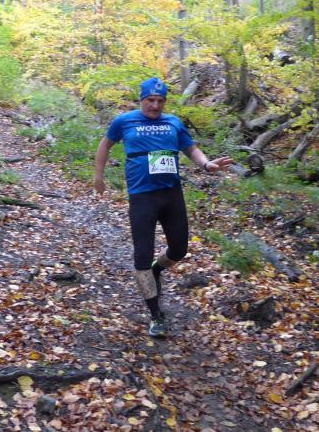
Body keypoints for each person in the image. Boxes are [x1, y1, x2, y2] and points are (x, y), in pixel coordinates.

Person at [94, 77, 233, 338]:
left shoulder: (173, 122)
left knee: (179, 250)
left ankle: (157, 270)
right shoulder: (125, 121)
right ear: (142, 99)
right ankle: (155, 315)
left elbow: (190, 149)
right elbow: (105, 145)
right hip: (142, 197)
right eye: (150, 100)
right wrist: (98, 176)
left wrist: (206, 164)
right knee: (142, 256)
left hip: (171, 195)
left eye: (160, 101)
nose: (155, 106)